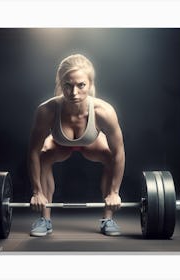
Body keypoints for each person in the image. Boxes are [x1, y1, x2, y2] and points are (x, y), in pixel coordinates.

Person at [28, 54, 125, 237]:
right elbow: (32, 151)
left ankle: (108, 219)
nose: (74, 92)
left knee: (111, 156)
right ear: (60, 83)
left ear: (90, 84)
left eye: (81, 85)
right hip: (60, 143)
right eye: (68, 85)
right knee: (43, 154)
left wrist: (114, 192)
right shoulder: (46, 110)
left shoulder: (104, 111)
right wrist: (36, 192)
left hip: (91, 142)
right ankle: (45, 219)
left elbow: (119, 152)